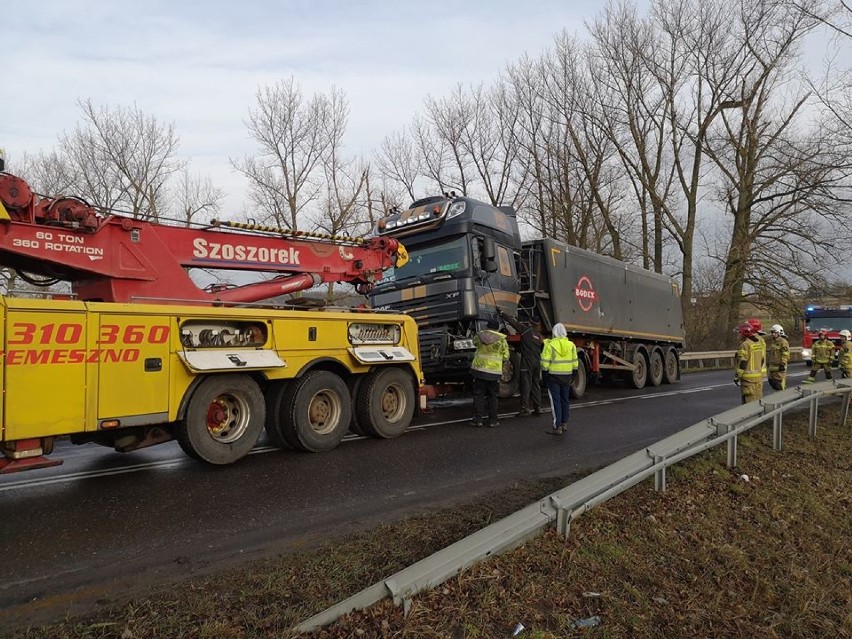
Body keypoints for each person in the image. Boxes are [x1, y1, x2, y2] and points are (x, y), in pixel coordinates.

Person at [500, 311, 544, 417]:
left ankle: (525, 408)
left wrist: (502, 313)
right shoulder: (539, 336)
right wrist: (520, 349)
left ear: (530, 322)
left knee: (526, 385)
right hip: (537, 362)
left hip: (527, 362)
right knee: (535, 384)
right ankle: (538, 408)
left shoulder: (526, 330)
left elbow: (513, 322)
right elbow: (539, 349)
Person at [470, 319, 509, 428]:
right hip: (493, 372)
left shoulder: (480, 336)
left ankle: (478, 420)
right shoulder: (501, 340)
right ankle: (493, 420)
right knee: (493, 396)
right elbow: (506, 356)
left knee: (478, 395)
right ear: (497, 328)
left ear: (487, 326)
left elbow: (474, 343)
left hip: (479, 370)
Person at [541, 323, 578, 436]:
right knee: (565, 400)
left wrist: (544, 374)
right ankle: (564, 423)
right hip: (567, 376)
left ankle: (557, 427)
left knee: (555, 401)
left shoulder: (550, 345)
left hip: (553, 377)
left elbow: (545, 362)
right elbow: (574, 361)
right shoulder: (571, 345)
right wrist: (574, 373)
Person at [734, 322, 766, 404]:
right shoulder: (758, 343)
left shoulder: (745, 345)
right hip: (758, 379)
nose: (738, 335)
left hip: (748, 381)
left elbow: (743, 362)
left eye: (739, 333)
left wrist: (737, 376)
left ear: (744, 333)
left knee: (748, 405)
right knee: (758, 402)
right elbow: (762, 359)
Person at [767, 324, 790, 391]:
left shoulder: (783, 342)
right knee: (771, 381)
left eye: (775, 332)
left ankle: (783, 398)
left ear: (779, 332)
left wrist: (783, 363)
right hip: (772, 367)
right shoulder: (774, 342)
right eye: (772, 332)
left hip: (779, 367)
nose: (773, 334)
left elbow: (785, 354)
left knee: (779, 385)